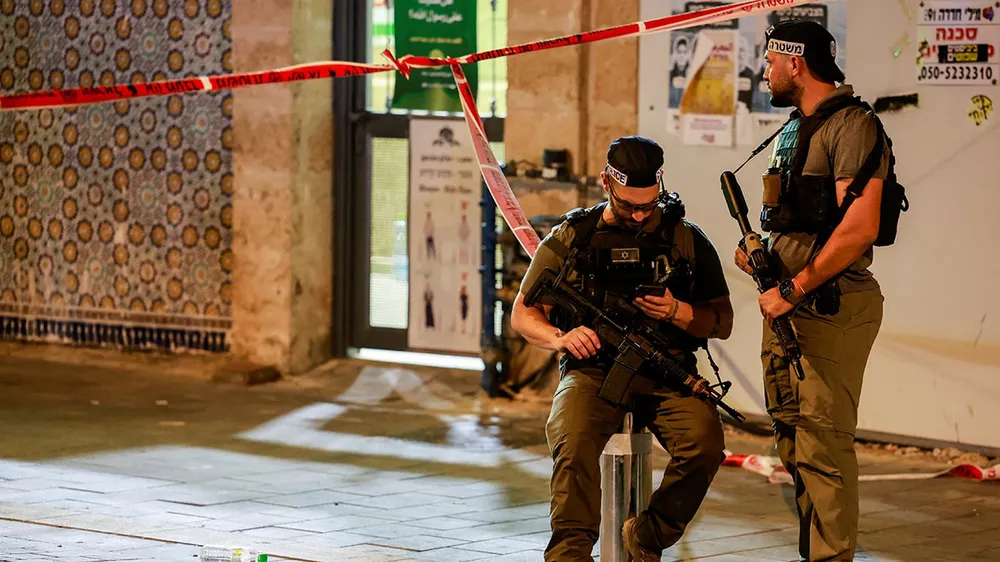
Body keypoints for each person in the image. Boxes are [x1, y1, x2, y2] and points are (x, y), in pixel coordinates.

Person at [511, 135, 734, 561]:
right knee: (572, 440)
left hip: (666, 369)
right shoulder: (572, 236)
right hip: (592, 369)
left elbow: (722, 321)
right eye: (629, 205)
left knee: (704, 445)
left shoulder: (686, 239)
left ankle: (648, 534)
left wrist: (677, 311)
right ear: (606, 183)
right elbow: (523, 313)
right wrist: (560, 338)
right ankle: (570, 554)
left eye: (649, 205)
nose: (639, 215)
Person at [734, 19, 889, 562]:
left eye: (770, 61)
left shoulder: (853, 126)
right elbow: (796, 222)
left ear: (794, 63)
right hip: (788, 307)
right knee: (792, 436)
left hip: (829, 306)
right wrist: (761, 256)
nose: (765, 71)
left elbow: (860, 227)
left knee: (823, 443)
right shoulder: (795, 128)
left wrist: (794, 287)